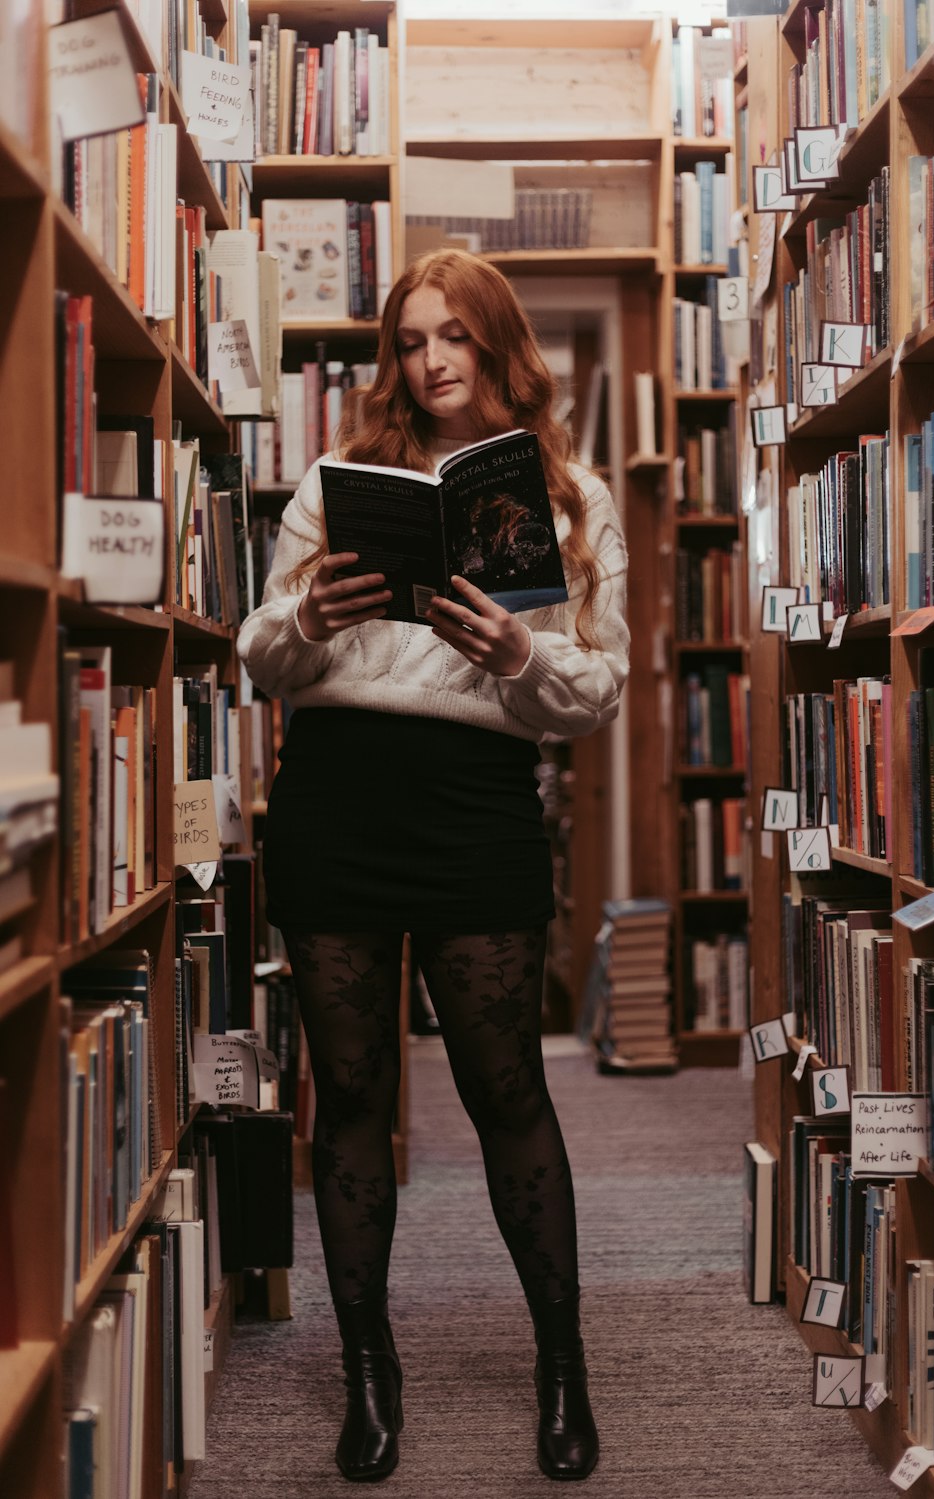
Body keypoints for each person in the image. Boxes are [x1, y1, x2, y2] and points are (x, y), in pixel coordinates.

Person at [237, 247, 629, 1484]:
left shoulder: (569, 497)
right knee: (348, 1097)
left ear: (497, 342)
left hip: (474, 805)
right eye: (410, 340)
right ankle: (369, 1371)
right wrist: (310, 617)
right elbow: (258, 652)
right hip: (337, 796)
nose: (431, 360)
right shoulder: (335, 482)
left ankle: (560, 1367)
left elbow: (595, 690)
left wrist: (521, 648)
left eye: (453, 335)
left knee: (506, 1089)